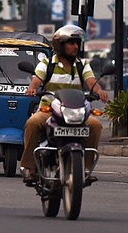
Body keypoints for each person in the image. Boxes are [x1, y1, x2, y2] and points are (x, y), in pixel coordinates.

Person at [20, 24, 109, 186]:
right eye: (71, 43)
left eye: (77, 43)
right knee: (32, 123)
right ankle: (30, 168)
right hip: (50, 111)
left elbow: (90, 82)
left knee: (95, 125)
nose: (75, 46)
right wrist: (32, 89)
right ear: (60, 46)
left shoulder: (82, 65)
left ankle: (86, 170)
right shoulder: (46, 64)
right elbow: (36, 80)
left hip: (75, 111)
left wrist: (99, 90)